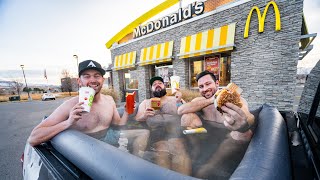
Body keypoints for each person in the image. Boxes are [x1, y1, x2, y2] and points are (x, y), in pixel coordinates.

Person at [28, 60, 149, 157]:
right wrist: (68, 122)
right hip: (88, 149)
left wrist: (127, 113)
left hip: (110, 138)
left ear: (102, 80)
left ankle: (136, 163)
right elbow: (33, 138)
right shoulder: (70, 105)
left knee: (144, 133)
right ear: (79, 81)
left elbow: (118, 125)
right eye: (87, 76)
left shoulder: (109, 100)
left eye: (97, 76)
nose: (93, 80)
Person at [177, 70, 255, 179]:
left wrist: (244, 122)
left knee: (244, 133)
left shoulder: (232, 98)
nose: (205, 89)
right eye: (201, 86)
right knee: (187, 117)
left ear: (217, 84)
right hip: (206, 134)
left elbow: (248, 115)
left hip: (227, 138)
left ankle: (210, 166)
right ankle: (195, 150)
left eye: (208, 84)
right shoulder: (200, 100)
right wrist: (213, 99)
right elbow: (181, 110)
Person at [135, 76, 191, 175]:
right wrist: (144, 115)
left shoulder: (175, 99)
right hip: (156, 132)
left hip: (175, 131)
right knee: (162, 150)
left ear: (165, 86)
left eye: (159, 83)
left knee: (178, 147)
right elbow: (137, 118)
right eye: (154, 84)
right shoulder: (146, 102)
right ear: (151, 89)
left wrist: (179, 101)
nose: (157, 85)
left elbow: (187, 113)